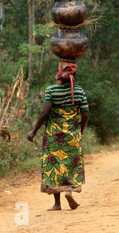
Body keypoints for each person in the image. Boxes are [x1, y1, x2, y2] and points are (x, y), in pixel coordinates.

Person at [27, 60, 89, 211]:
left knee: (54, 165)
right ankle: (68, 190)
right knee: (70, 164)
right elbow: (85, 115)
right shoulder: (79, 91)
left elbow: (45, 113)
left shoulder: (51, 90)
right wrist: (79, 132)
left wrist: (33, 131)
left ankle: (57, 204)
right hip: (73, 135)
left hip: (54, 136)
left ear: (59, 74)